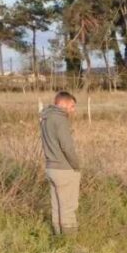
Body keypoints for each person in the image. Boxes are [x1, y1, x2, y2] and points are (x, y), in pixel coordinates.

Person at [40, 91, 81, 235]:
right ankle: (70, 243)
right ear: (62, 103)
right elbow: (67, 147)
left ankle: (59, 238)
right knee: (68, 207)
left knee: (56, 207)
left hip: (51, 167)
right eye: (72, 106)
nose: (73, 110)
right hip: (64, 169)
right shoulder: (60, 119)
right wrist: (76, 166)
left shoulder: (45, 118)